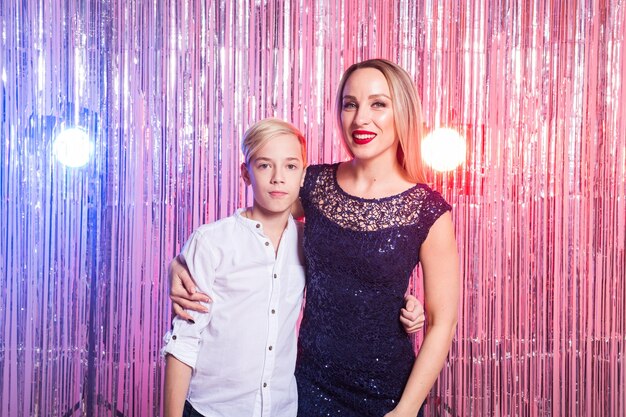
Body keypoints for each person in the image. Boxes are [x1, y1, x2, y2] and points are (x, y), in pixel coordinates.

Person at [170, 58, 456, 417]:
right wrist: (181, 262)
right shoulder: (314, 184)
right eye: (350, 104)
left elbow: (442, 323)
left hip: (389, 394)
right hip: (307, 386)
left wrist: (406, 410)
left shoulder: (428, 210)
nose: (360, 118)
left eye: (378, 104)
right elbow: (249, 233)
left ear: (402, 112)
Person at [162, 118, 308, 417]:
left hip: (281, 409)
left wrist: (406, 304)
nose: (278, 177)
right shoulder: (212, 241)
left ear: (303, 175)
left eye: (290, 166)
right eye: (265, 165)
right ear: (246, 173)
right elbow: (184, 340)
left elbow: (352, 285)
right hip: (212, 409)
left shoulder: (310, 242)